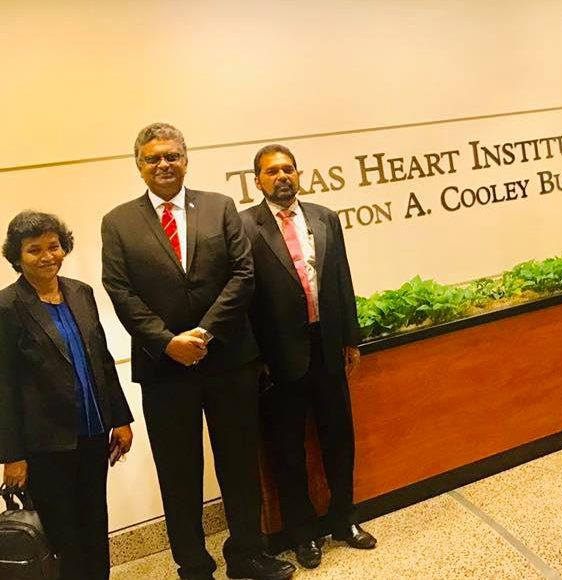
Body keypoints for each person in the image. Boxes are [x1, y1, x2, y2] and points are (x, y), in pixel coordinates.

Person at [100, 123, 294, 580]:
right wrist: (167, 342)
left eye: (171, 155)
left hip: (229, 359)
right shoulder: (118, 222)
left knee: (240, 464)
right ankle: (193, 566)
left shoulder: (219, 206)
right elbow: (120, 290)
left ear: (186, 160)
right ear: (139, 166)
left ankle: (247, 555)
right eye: (153, 158)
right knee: (178, 473)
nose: (163, 164)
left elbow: (243, 274)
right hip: (164, 368)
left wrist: (204, 335)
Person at [240, 144, 376, 570]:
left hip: (327, 347)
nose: (282, 176)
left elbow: (341, 280)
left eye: (288, 169)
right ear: (257, 181)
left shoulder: (324, 217)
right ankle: (302, 534)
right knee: (288, 450)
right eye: (272, 171)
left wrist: (350, 338)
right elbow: (243, 299)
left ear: (298, 174)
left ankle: (344, 520)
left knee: (339, 438)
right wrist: (255, 357)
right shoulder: (244, 227)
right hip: (278, 357)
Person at [0, 211, 133, 580]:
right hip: (45, 445)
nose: (47, 256)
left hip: (93, 434)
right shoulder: (7, 307)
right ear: (16, 256)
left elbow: (103, 360)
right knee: (64, 536)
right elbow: (4, 385)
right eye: (34, 249)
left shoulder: (81, 292)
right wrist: (11, 455)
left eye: (54, 246)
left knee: (95, 525)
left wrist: (121, 419)